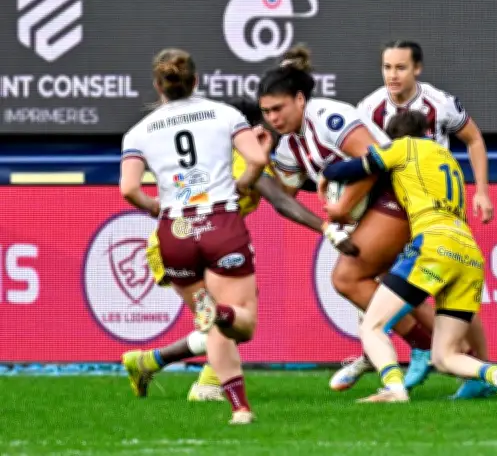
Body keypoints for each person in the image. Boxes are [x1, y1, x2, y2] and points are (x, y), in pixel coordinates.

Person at [121, 96, 357, 403]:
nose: (272, 126)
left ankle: (149, 362)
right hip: (192, 241)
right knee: (232, 316)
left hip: (182, 239)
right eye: (265, 121)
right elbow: (281, 201)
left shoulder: (231, 152)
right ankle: (206, 385)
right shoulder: (239, 158)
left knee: (225, 316)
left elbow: (289, 184)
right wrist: (327, 229)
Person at [319, 110, 497, 403]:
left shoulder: (403, 147)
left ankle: (394, 388)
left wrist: (325, 176)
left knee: (372, 325)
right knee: (445, 355)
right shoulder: (447, 159)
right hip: (468, 252)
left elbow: (356, 167)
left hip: (432, 244)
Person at [259, 46, 438, 378]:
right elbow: (285, 200)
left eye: (278, 109)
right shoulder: (287, 145)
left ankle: (423, 348)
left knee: (347, 278)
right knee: (396, 287)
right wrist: (262, 159)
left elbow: (376, 160)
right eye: (266, 112)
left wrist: (341, 206)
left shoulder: (326, 116)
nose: (272, 118)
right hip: (380, 207)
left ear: (300, 99)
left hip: (399, 191)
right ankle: (465, 360)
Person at [332, 41, 496, 399]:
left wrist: (482, 190)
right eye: (387, 67)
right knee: (379, 279)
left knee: (420, 285)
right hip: (394, 201)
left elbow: (474, 139)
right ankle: (403, 352)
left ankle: (461, 363)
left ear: (417, 69)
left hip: (429, 207)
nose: (393, 75)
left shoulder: (440, 103)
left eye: (400, 67)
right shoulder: (369, 107)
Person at [119, 48, 267, 425]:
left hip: (176, 230)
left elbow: (129, 189)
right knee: (241, 324)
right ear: (197, 81)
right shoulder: (225, 114)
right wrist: (242, 184)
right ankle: (237, 399)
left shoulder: (139, 131)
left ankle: (239, 407)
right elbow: (257, 160)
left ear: (158, 86)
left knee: (208, 321)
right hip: (219, 221)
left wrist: (155, 208)